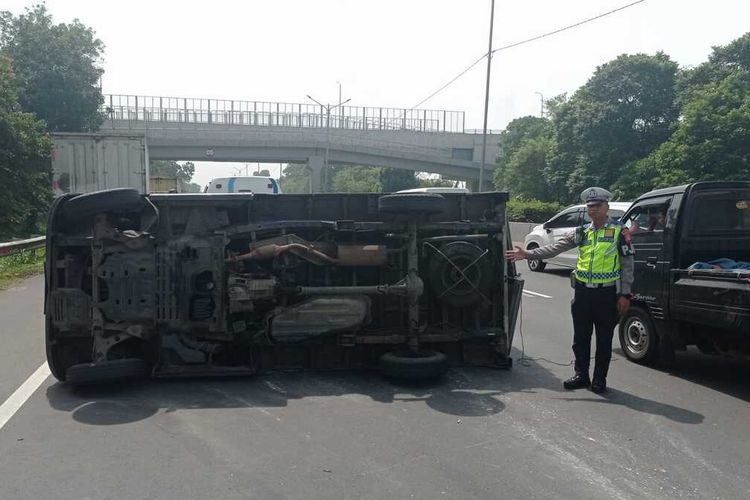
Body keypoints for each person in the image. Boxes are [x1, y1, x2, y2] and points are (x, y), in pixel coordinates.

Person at [505, 187, 635, 393]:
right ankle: (581, 375)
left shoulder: (620, 231)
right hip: (583, 293)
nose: (592, 210)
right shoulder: (582, 231)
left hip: (606, 295)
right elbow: (555, 248)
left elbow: (627, 266)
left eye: (597, 206)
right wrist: (529, 254)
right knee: (580, 338)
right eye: (589, 206)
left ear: (606, 207)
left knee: (603, 340)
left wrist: (625, 294)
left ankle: (599, 379)